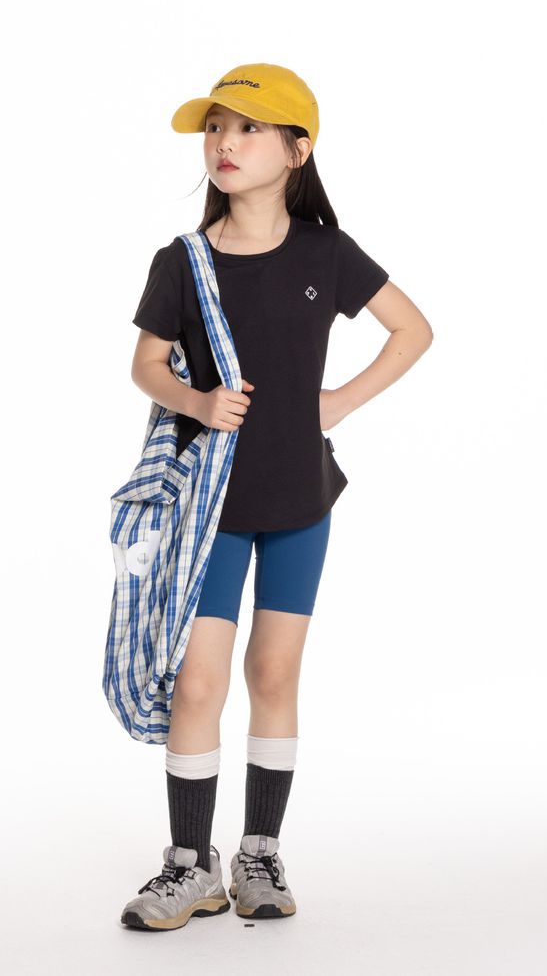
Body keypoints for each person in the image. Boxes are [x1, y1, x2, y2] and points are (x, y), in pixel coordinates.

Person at [119, 63, 433, 931]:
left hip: (300, 499)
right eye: (216, 127)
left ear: (298, 150)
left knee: (274, 672)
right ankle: (191, 864)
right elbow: (144, 364)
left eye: (248, 127)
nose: (225, 143)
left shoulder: (326, 253)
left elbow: (413, 330)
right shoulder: (182, 262)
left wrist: (336, 402)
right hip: (210, 508)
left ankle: (260, 851)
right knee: (197, 683)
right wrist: (195, 402)